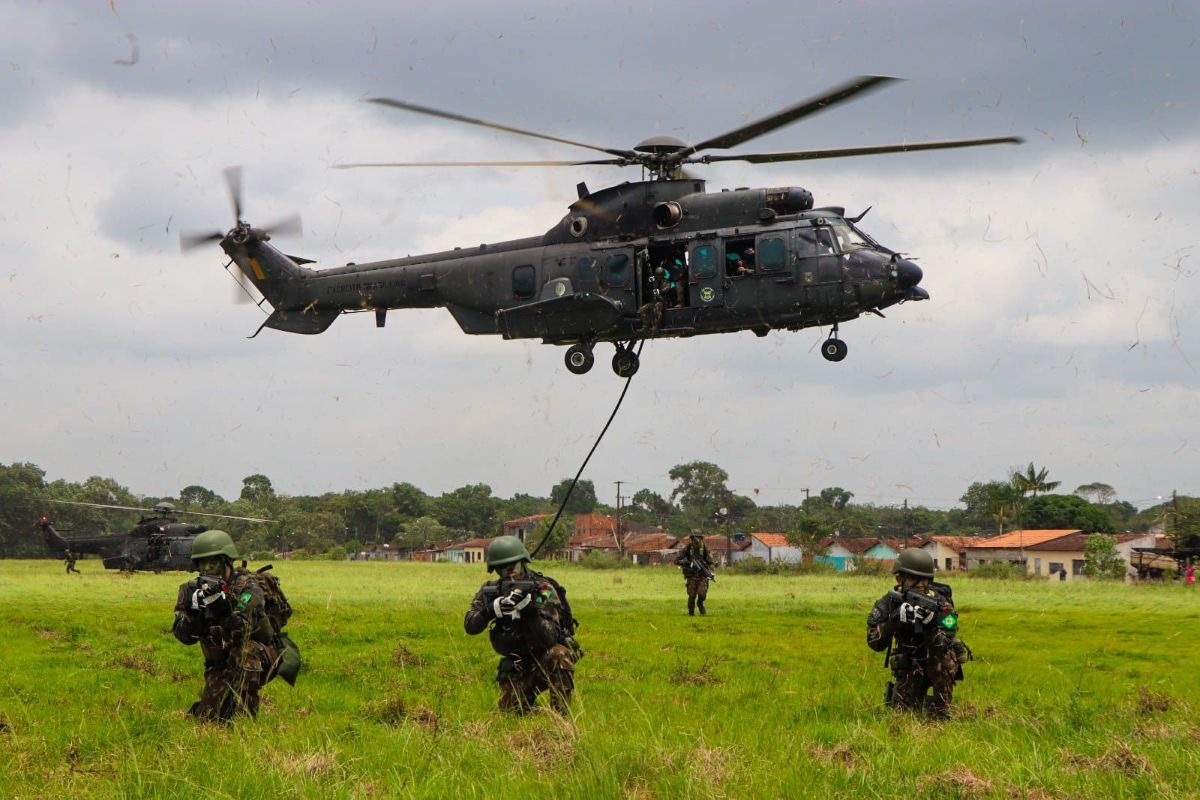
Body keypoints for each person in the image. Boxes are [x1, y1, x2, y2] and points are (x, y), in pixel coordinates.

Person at [172, 530, 283, 723]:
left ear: (226, 562)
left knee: (245, 655)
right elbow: (183, 637)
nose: (208, 569)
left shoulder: (248, 588)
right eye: (202, 564)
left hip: (260, 656)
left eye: (213, 563)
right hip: (220, 662)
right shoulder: (191, 591)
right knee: (209, 718)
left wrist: (224, 613)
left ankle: (245, 719)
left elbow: (247, 630)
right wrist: (194, 616)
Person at [464, 536, 581, 714]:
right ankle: (536, 712)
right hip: (517, 665)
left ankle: (561, 719)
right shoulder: (491, 591)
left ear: (524, 562)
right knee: (509, 712)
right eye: (503, 569)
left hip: (546, 658)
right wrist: (490, 610)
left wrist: (529, 611)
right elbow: (470, 626)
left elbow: (550, 638)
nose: (510, 573)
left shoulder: (542, 590)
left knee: (559, 655)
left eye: (514, 567)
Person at [866, 549, 969, 720]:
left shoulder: (942, 604)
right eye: (914, 579)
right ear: (899, 579)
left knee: (945, 662)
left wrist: (930, 627)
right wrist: (895, 620)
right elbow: (874, 643)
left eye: (924, 580)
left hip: (937, 663)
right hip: (908, 663)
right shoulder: (889, 602)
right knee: (902, 716)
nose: (921, 585)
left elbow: (944, 644)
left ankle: (940, 706)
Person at [674, 532, 714, 616]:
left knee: (702, 593)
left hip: (702, 575)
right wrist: (686, 564)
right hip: (691, 575)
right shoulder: (688, 548)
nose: (696, 540)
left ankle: (700, 604)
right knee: (692, 595)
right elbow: (677, 560)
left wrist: (709, 570)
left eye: (698, 538)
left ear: (701, 539)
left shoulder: (705, 549)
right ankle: (691, 611)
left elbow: (711, 562)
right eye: (694, 538)